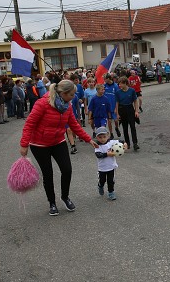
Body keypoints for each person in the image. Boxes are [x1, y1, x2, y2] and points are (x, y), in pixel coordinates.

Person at [20, 79, 97, 216]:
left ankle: (65, 197)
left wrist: (88, 139)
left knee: (67, 170)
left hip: (58, 142)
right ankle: (52, 203)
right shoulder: (42, 104)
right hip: (39, 145)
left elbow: (74, 125)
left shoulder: (66, 105)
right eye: (72, 94)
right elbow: (29, 124)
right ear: (63, 93)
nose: (73, 97)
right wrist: (24, 144)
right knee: (48, 174)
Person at [94, 126, 127, 201]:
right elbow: (98, 155)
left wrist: (124, 144)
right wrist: (107, 154)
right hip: (102, 168)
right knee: (102, 180)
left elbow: (121, 141)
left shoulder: (111, 142)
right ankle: (100, 186)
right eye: (100, 137)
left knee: (111, 181)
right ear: (97, 138)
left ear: (108, 135)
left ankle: (111, 192)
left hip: (111, 167)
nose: (102, 139)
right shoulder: (97, 146)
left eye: (104, 137)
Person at [115, 77, 140, 150]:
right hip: (122, 109)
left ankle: (135, 143)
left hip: (130, 108)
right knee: (125, 127)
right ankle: (127, 143)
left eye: (121, 83)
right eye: (119, 84)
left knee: (133, 127)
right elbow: (117, 103)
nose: (119, 85)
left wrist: (136, 111)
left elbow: (135, 101)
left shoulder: (132, 91)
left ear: (125, 83)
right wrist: (117, 113)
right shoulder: (118, 92)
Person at [103, 73, 121, 138]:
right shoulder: (104, 86)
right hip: (107, 107)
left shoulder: (115, 86)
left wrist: (116, 108)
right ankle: (111, 133)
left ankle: (116, 128)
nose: (104, 80)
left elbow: (118, 96)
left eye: (105, 79)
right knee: (109, 121)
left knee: (116, 120)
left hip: (114, 106)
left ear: (108, 79)